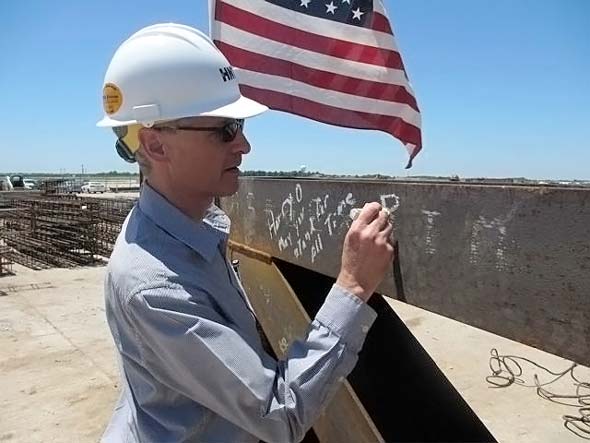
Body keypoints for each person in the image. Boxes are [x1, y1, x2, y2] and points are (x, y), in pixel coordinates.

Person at [98, 23, 394, 443]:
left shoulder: (190, 231)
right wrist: (353, 286)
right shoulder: (155, 286)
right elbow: (279, 415)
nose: (244, 146)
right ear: (156, 145)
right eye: (224, 129)